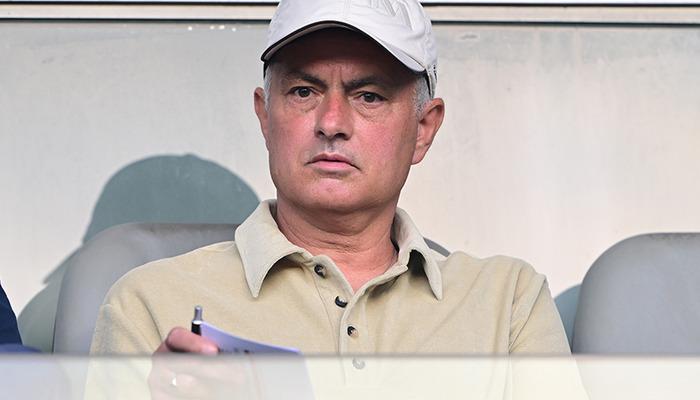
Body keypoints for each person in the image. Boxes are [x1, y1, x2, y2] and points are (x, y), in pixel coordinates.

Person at [91, 0, 569, 356]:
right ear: (265, 116)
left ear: (424, 129)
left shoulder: (507, 303)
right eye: (304, 91)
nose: (332, 121)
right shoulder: (151, 304)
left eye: (369, 96)